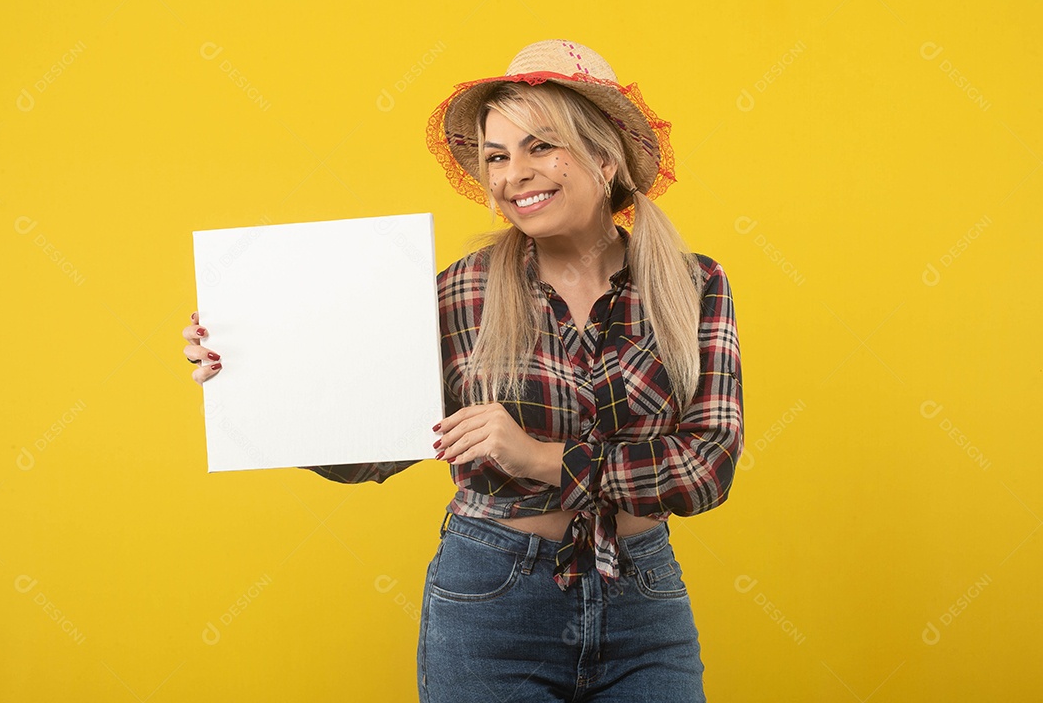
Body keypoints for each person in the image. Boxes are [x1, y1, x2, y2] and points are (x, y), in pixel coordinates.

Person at [183, 39, 743, 703]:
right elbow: (376, 452)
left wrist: (543, 459)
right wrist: (259, 371)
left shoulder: (693, 283)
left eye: (540, 147)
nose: (513, 176)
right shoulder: (461, 294)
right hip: (491, 602)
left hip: (644, 599)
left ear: (603, 154)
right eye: (497, 157)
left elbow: (708, 466)